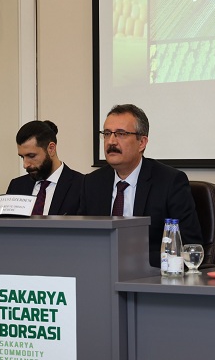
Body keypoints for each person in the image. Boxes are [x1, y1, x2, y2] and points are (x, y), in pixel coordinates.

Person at [79, 104, 203, 268]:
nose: (111, 141)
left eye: (121, 134)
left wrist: (130, 260)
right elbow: (80, 238)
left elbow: (189, 246)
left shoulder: (169, 182)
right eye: (107, 133)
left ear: (142, 143)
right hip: (100, 271)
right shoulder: (92, 183)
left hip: (151, 276)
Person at [6, 120, 83, 215]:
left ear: (51, 149)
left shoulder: (81, 185)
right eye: (22, 157)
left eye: (31, 156)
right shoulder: (17, 186)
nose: (25, 165)